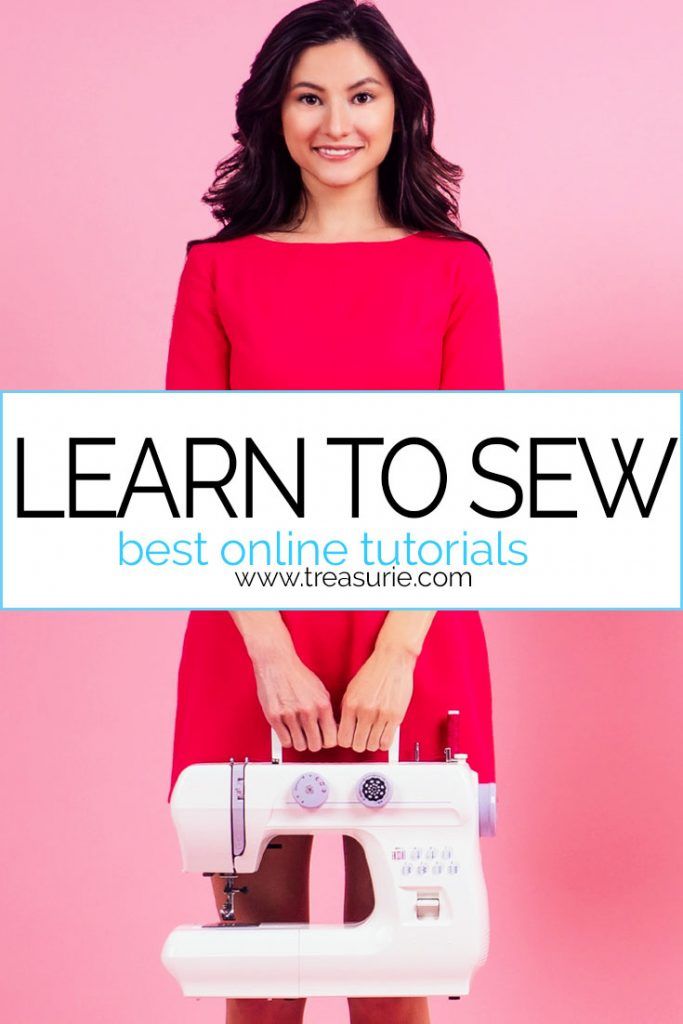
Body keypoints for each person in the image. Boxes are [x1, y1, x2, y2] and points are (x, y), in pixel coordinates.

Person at [165, 2, 504, 1022]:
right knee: (256, 961)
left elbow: (468, 489)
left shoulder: (454, 270)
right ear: (273, 114)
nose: (334, 122)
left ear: (399, 111)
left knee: (399, 953)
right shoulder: (216, 271)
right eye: (308, 97)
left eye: (360, 95)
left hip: (412, 632)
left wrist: (398, 653)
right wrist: (268, 651)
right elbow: (192, 487)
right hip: (251, 635)